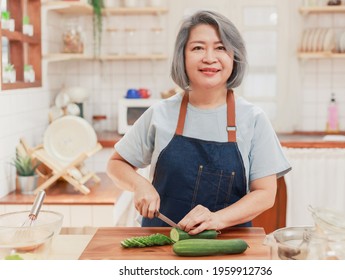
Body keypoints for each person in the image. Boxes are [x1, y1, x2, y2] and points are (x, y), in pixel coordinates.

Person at [107, 10, 291, 235]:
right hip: (161, 245)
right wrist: (139, 184)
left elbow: (265, 194)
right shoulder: (159, 114)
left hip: (228, 247)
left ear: (234, 56)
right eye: (198, 48)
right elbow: (116, 164)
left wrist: (216, 219)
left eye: (221, 47)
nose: (210, 58)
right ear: (182, 57)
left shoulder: (253, 119)